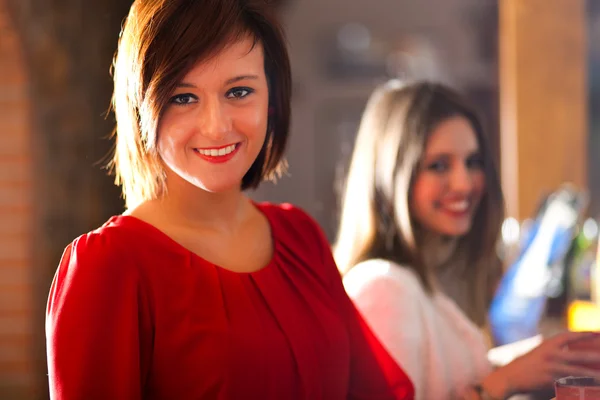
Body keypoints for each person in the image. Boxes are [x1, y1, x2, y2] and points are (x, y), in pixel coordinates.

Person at [44, 1, 415, 399]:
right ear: (141, 107)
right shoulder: (108, 265)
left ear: (272, 101)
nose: (217, 126)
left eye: (239, 91)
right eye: (183, 97)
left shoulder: (299, 236)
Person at [335, 80, 600, 400]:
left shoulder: (419, 283)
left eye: (472, 162)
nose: (464, 183)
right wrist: (505, 381)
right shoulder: (382, 287)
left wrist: (527, 358)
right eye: (439, 165)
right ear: (391, 175)